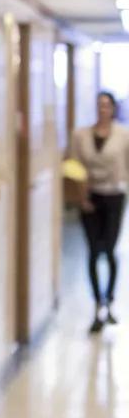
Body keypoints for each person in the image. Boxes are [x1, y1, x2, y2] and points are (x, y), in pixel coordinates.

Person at [70, 91, 129, 332]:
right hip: (90, 197)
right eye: (99, 105)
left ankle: (111, 300)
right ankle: (97, 305)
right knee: (94, 250)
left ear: (113, 109)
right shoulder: (80, 135)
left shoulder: (124, 135)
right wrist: (82, 196)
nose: (103, 109)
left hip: (114, 195)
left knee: (110, 249)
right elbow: (74, 166)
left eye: (107, 105)